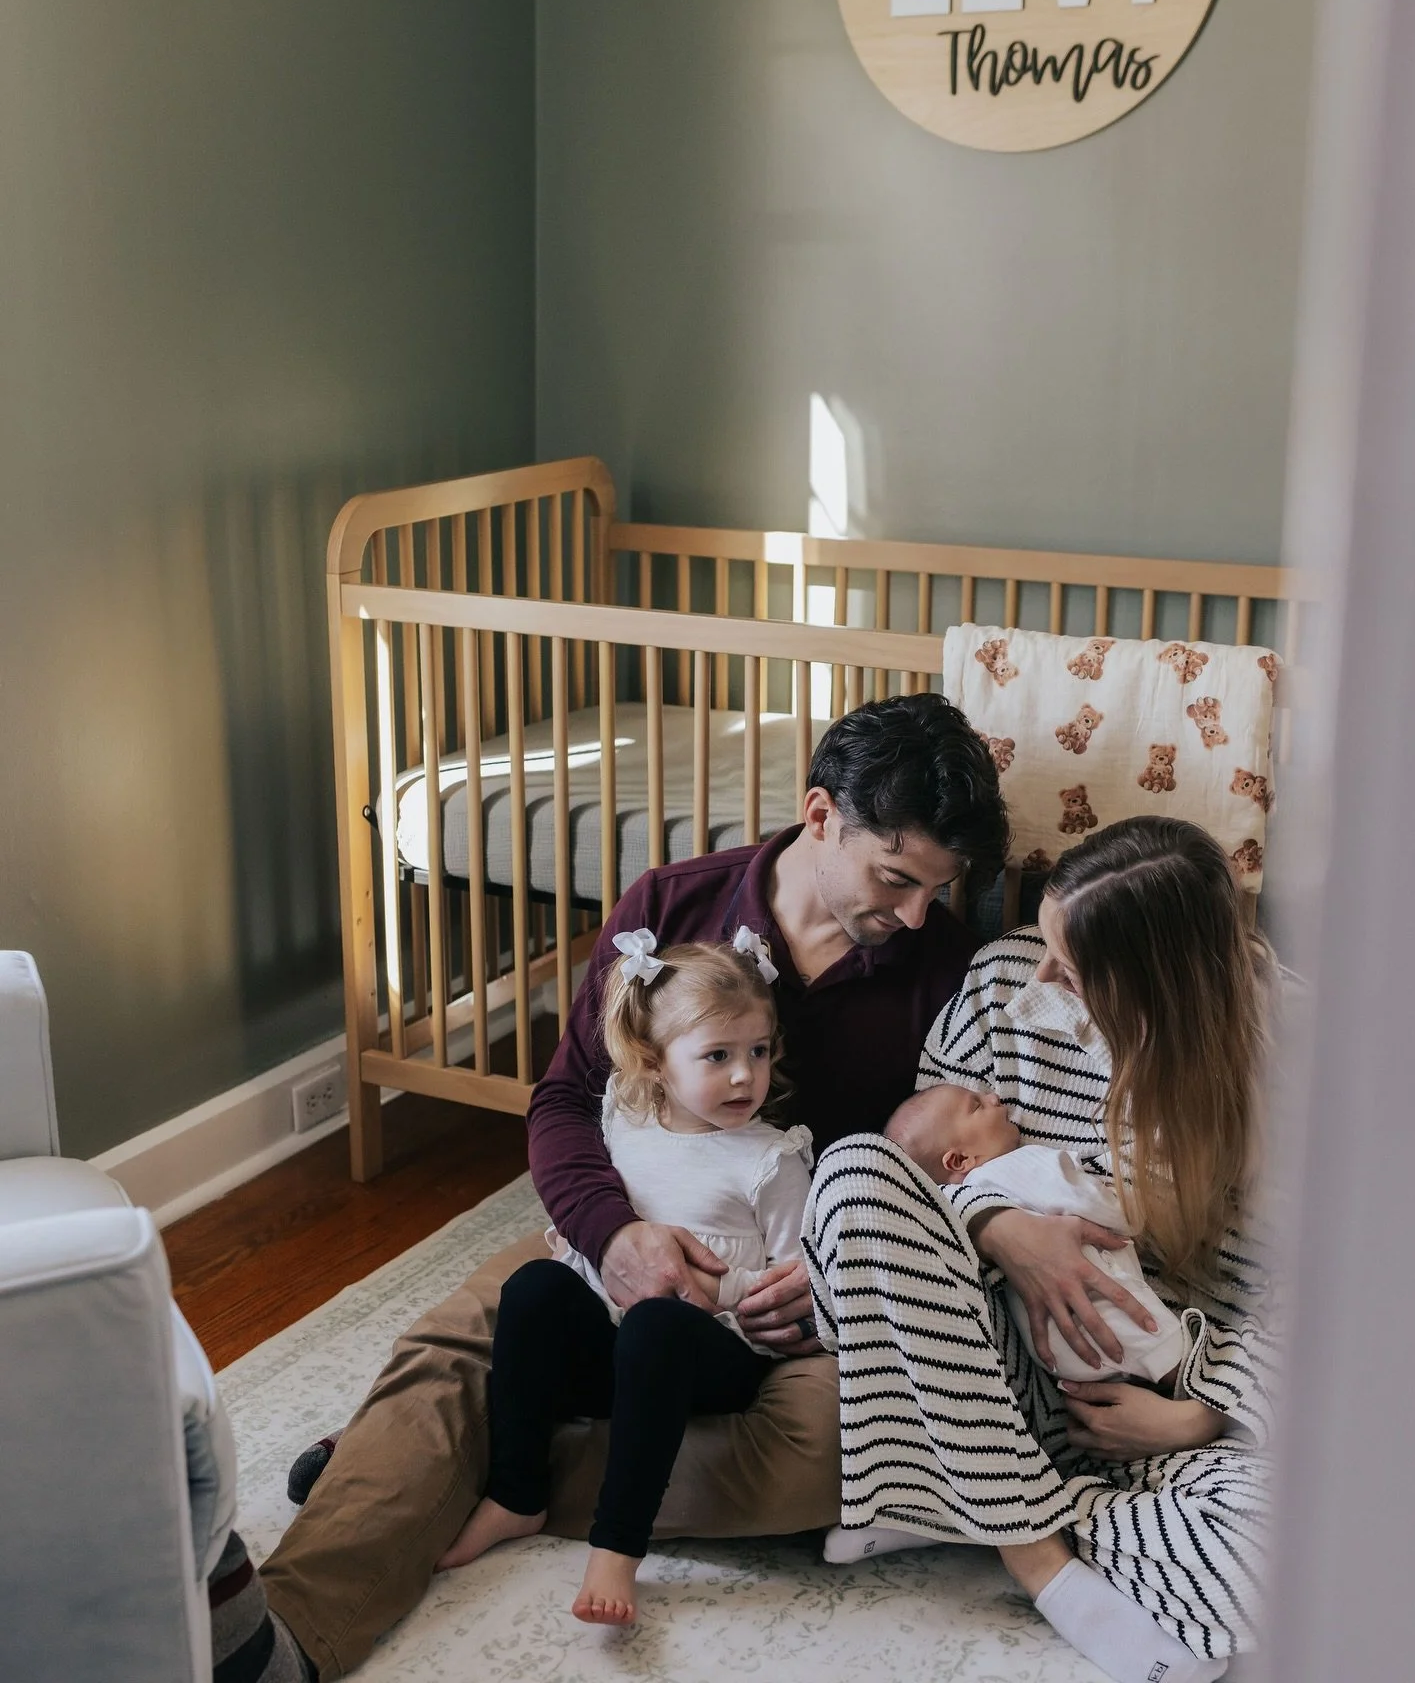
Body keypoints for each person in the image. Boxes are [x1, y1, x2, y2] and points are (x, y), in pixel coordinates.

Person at [226, 692, 1007, 1682]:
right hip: (628, 1246)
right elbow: (562, 1103)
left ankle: (475, 1459)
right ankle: (288, 1639)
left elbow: (957, 1161)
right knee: (455, 1346)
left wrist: (836, 1269)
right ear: (820, 816)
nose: (914, 914)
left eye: (935, 890)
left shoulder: (943, 969)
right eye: (895, 880)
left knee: (848, 1449)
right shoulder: (671, 906)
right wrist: (612, 1237)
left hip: (786, 1300)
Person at [803, 818, 1275, 1683]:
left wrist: (1201, 1412)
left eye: (1070, 968)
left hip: (1156, 1411)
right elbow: (919, 1168)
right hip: (978, 1358)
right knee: (851, 1171)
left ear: (1154, 987)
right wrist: (998, 1228)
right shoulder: (1004, 983)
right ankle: (1041, 1564)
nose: (1038, 974)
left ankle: (966, 1496)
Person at [438, 936, 812, 1625]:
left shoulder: (769, 1159)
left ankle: (617, 1544)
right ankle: (517, 1494)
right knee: (532, 1289)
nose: (744, 1078)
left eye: (759, 1051)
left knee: (657, 1324)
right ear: (654, 1062)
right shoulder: (623, 1117)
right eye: (718, 1057)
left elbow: (796, 1275)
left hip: (705, 1356)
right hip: (612, 1355)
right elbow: (598, 1236)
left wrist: (720, 1292)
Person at [879, 1085, 1186, 1393]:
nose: (994, 1098)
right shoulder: (1013, 1165)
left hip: (1057, 1350)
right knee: (1171, 1352)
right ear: (959, 1161)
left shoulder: (965, 1203)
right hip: (1094, 1309)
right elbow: (1092, 1200)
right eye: (976, 1106)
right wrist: (1123, 1202)